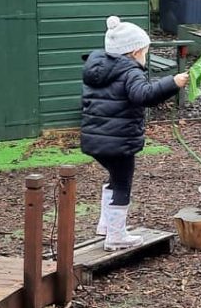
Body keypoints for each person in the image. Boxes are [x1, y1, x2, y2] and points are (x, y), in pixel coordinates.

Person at [81, 16, 189, 250]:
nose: (145, 57)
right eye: (145, 52)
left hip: (95, 139)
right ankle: (116, 236)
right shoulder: (130, 71)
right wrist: (172, 83)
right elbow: (144, 95)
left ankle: (106, 226)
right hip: (118, 141)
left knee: (114, 178)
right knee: (122, 183)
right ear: (135, 51)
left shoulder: (98, 68)